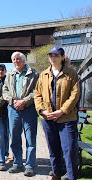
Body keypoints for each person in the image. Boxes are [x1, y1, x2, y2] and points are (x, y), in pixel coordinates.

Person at [34, 46, 80, 180]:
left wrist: (62, 111)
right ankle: (57, 174)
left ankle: (72, 176)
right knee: (53, 149)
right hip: (47, 118)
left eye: (56, 55)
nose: (53, 58)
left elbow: (75, 94)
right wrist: (42, 110)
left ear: (62, 57)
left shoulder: (71, 73)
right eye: (51, 55)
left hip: (67, 118)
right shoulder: (43, 74)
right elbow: (37, 94)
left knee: (70, 149)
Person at [2, 51, 39, 177]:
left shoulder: (33, 74)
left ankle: (30, 166)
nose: (16, 61)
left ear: (24, 60)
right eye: (13, 59)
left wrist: (24, 101)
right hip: (13, 110)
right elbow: (5, 91)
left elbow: (37, 91)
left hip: (29, 110)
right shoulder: (10, 75)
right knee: (15, 138)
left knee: (30, 139)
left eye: (18, 59)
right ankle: (17, 163)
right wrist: (13, 101)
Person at [0, 64, 13, 163]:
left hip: (7, 109)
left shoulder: (8, 79)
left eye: (2, 69)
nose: (0, 71)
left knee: (6, 132)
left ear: (5, 71)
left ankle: (6, 152)